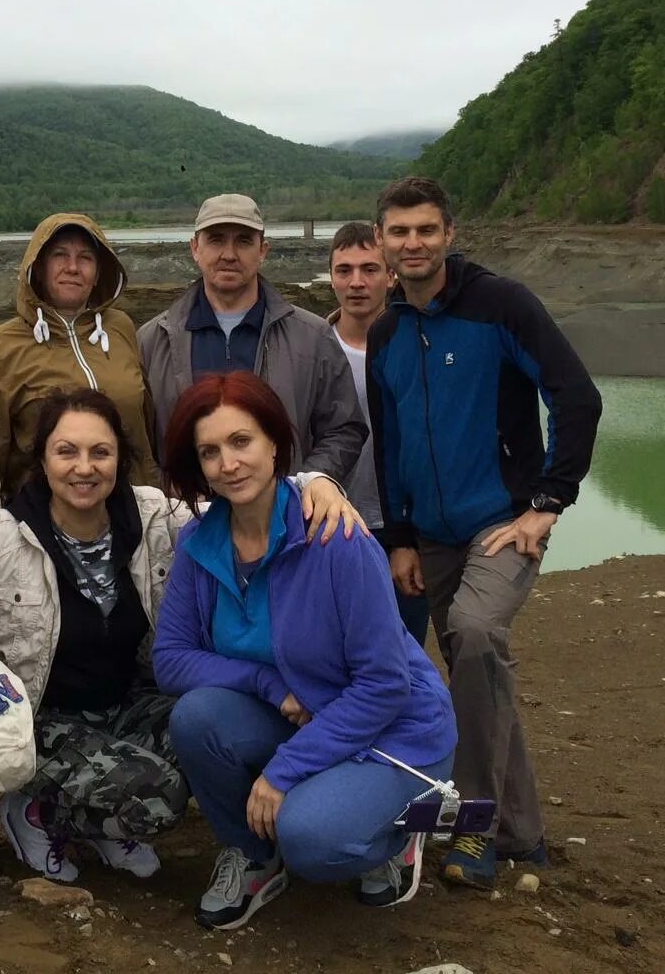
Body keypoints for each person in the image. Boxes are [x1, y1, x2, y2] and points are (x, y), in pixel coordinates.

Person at [0, 388, 367, 884]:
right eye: (66, 451)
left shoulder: (155, 517)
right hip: (42, 719)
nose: (84, 467)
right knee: (160, 798)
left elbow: (241, 493)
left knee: (222, 743)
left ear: (120, 457)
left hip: (133, 702)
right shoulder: (4, 537)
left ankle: (101, 821)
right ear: (43, 458)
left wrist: (317, 482)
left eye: (101, 452)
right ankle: (35, 813)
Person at [153, 373, 457, 930]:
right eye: (210, 452)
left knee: (311, 839)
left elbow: (386, 685)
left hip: (392, 730)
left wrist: (284, 771)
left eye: (241, 441)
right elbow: (171, 658)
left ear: (274, 442)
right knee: (197, 718)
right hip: (300, 711)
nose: (229, 463)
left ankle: (397, 837)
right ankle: (252, 856)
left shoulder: (337, 538)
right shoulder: (200, 544)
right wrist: (270, 685)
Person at [366, 175, 603, 890]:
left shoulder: (501, 305)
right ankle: (521, 834)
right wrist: (399, 537)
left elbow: (576, 396)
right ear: (381, 241)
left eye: (425, 230)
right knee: (478, 676)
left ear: (449, 234)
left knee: (472, 636)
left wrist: (548, 501)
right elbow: (390, 440)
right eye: (399, 231)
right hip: (429, 537)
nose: (413, 243)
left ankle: (473, 823)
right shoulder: (385, 331)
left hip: (500, 525)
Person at [137, 193, 365, 484]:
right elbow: (138, 441)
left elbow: (344, 429)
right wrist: (170, 493)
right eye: (216, 239)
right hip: (185, 522)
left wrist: (300, 486)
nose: (229, 254)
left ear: (263, 250)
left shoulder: (312, 336)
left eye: (244, 241)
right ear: (195, 248)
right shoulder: (152, 340)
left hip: (281, 520)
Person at [0, 213, 157, 501]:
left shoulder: (121, 327)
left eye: (85, 258)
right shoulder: (3, 345)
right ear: (37, 267)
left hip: (132, 506)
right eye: (59, 256)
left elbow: (145, 421)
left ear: (99, 271)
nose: (73, 268)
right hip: (45, 515)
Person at [325, 222, 430, 647]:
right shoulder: (311, 348)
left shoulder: (420, 344)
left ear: (391, 275)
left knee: (405, 652)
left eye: (370, 269)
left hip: (407, 529)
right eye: (344, 270)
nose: (356, 283)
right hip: (329, 528)